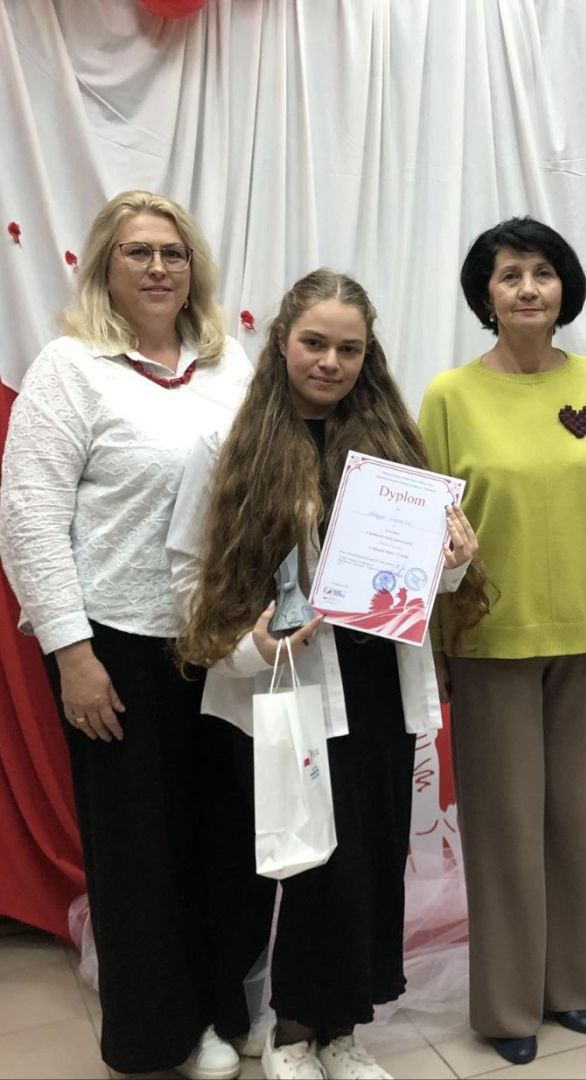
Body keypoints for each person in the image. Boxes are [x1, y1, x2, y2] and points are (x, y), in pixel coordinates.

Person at [170, 269, 482, 1080]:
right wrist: (247, 647)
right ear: (281, 341)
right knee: (308, 867)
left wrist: (452, 561)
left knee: (369, 865)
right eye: (314, 343)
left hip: (376, 687)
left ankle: (338, 1029)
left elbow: (422, 581)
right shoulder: (226, 444)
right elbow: (186, 576)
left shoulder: (390, 447)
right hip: (284, 690)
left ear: (367, 355)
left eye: (349, 349)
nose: (331, 362)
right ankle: (286, 1033)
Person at [0, 191, 255, 1078]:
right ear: (106, 265)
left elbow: (268, 483)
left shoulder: (229, 364)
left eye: (172, 253)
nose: (157, 268)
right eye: (138, 252)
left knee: (227, 837)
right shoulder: (70, 369)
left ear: (194, 269)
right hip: (117, 647)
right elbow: (29, 518)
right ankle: (157, 1033)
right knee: (140, 847)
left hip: (225, 643)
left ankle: (223, 1007)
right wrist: (71, 653)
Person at [417, 217, 586, 1066]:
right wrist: (436, 640)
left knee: (571, 819)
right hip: (488, 638)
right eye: (509, 274)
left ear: (564, 289)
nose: (527, 288)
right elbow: (432, 530)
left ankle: (571, 988)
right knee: (505, 827)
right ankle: (509, 1005)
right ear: (486, 294)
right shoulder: (448, 396)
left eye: (542, 272)